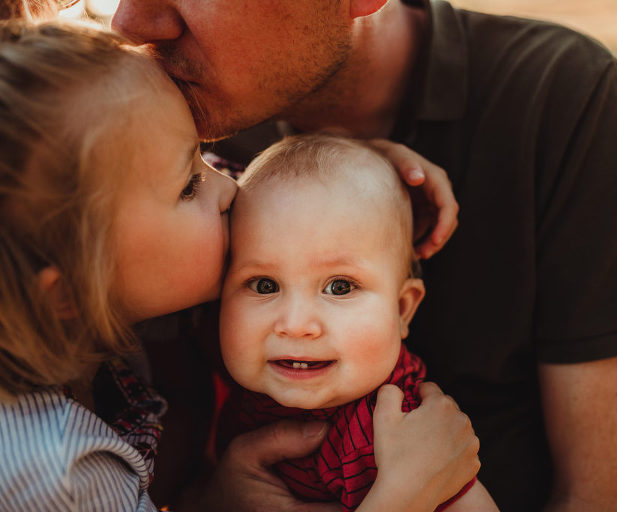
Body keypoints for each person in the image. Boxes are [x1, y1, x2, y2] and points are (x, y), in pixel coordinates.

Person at [110, 0, 617, 510]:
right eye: (264, 285)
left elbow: (605, 499)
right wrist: (212, 502)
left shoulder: (559, 90)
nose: (128, 20)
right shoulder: (173, 128)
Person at [0, 18, 480, 511]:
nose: (230, 186)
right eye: (189, 185)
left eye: (203, 160)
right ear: (71, 290)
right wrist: (400, 498)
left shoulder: (99, 305)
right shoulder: (59, 473)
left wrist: (354, 174)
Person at [215, 134, 498, 511]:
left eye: (340, 286)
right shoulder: (225, 379)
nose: (296, 325)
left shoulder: (392, 435)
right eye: (265, 285)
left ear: (401, 310)